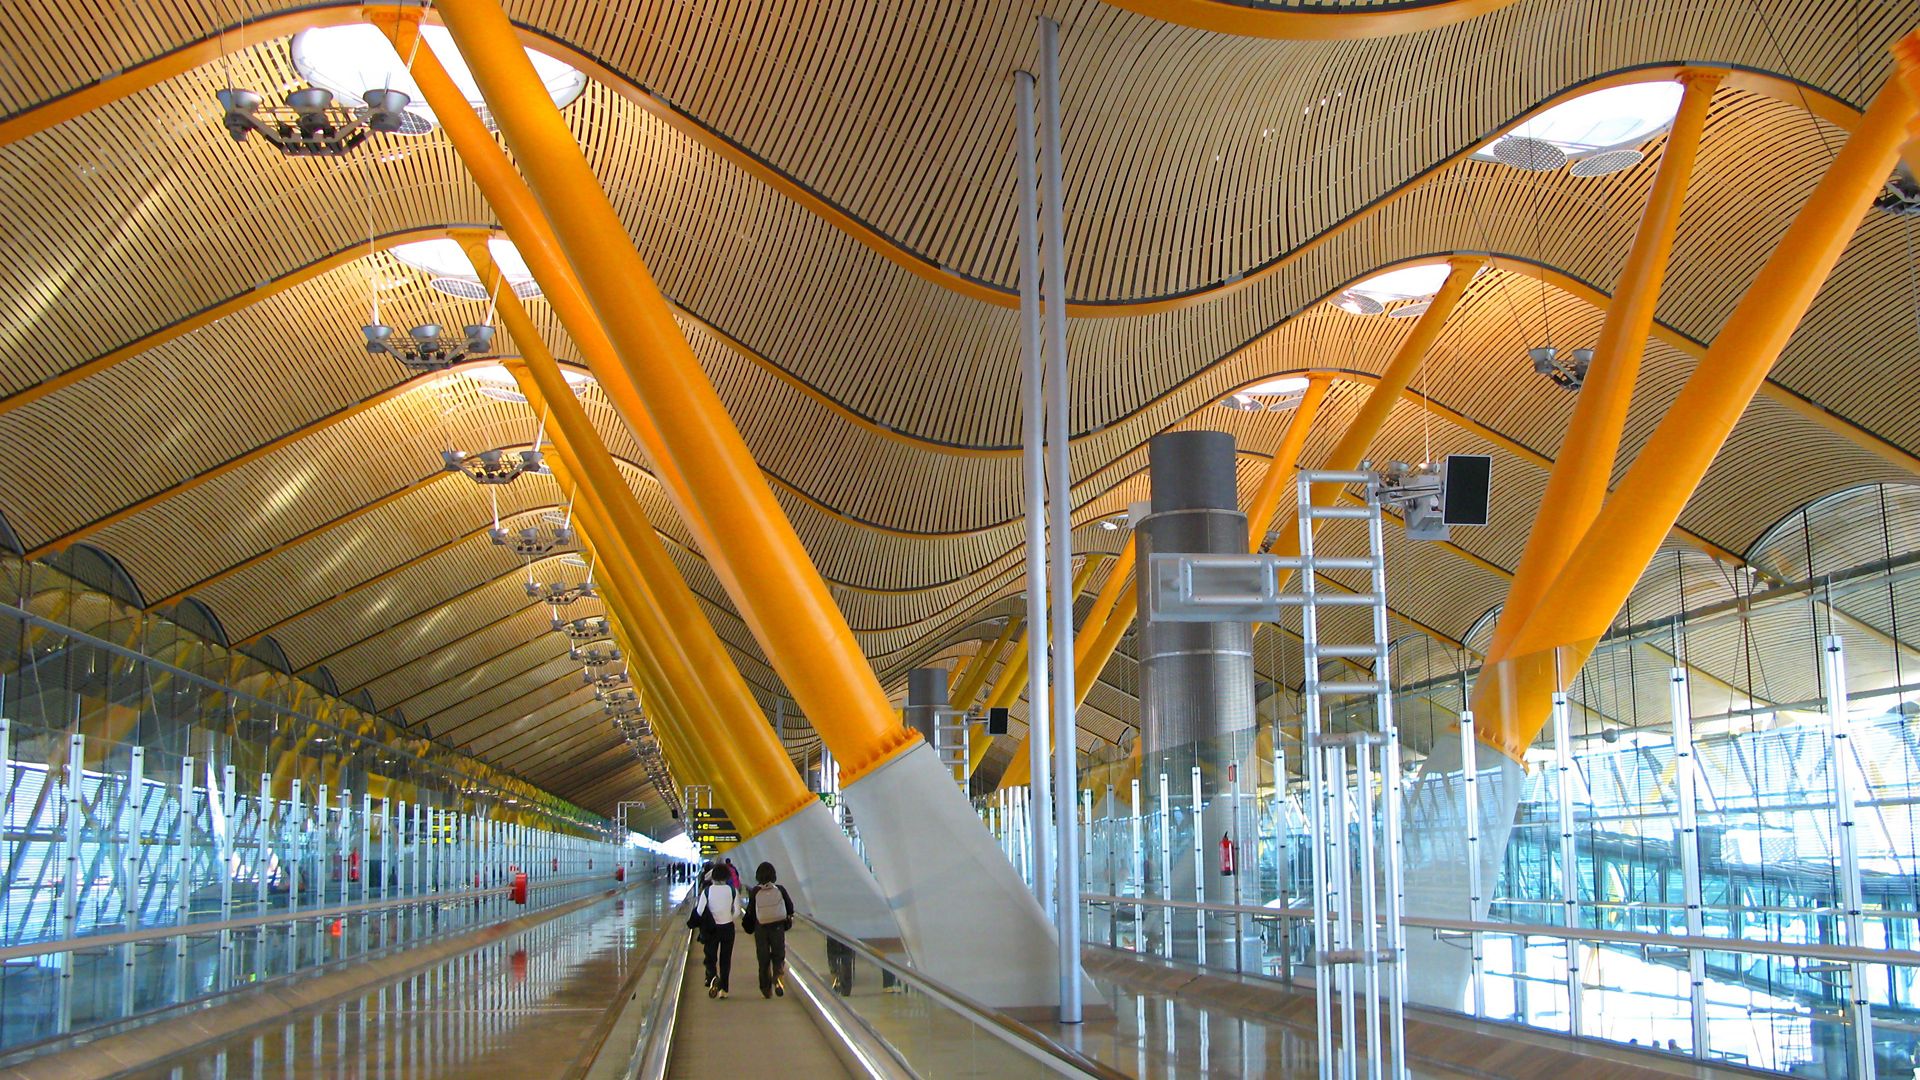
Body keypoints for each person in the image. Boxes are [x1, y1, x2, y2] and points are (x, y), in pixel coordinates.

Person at [745, 862, 795, 998]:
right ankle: (778, 977)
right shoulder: (780, 889)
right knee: (778, 954)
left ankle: (765, 988)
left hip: (761, 927)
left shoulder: (755, 891)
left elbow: (750, 911)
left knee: (763, 957)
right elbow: (790, 907)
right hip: (778, 926)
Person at [695, 863, 737, 998]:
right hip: (728, 928)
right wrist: (728, 916)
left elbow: (699, 911)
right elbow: (736, 912)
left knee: (710, 956)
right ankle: (724, 990)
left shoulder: (707, 891)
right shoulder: (732, 890)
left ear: (713, 876)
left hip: (711, 929)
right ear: (727, 876)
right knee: (726, 959)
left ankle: (713, 978)